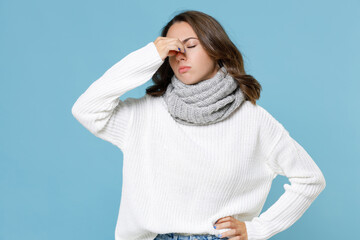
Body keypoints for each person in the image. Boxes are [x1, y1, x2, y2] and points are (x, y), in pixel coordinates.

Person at [71, 10, 326, 240]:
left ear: (216, 49)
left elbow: (310, 179)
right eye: (171, 50)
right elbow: (86, 109)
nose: (180, 55)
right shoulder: (145, 113)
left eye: (190, 45)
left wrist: (258, 229)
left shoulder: (253, 120)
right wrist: (148, 55)